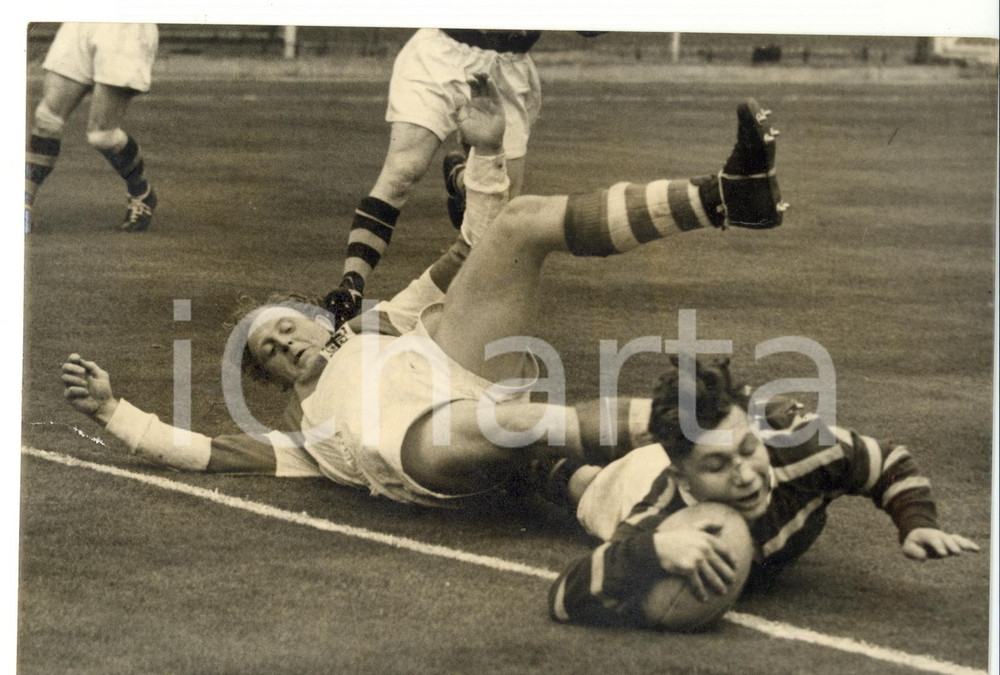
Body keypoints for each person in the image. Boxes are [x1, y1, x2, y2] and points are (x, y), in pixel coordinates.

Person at [61, 77, 786, 511]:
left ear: (317, 318)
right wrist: (116, 413)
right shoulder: (304, 432)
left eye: (285, 327)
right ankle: (721, 430)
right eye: (270, 353)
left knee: (522, 224)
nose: (284, 344)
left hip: (465, 372)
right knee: (526, 429)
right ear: (275, 378)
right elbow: (205, 453)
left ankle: (726, 198)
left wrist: (487, 153)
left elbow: (473, 244)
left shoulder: (381, 322)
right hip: (417, 449)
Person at [547, 358, 980, 629]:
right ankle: (539, 469)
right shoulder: (663, 508)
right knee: (584, 485)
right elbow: (564, 596)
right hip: (636, 478)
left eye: (747, 449)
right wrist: (652, 550)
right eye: (717, 466)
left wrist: (916, 522)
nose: (745, 476)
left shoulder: (803, 447)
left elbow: (886, 462)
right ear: (683, 478)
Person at [325, 29, 604, 327]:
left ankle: (464, 182)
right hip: (443, 51)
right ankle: (351, 287)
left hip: (509, 65)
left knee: (502, 212)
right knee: (403, 171)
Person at [25, 22, 159, 235]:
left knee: (102, 135)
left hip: (127, 25)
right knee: (46, 120)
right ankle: (22, 204)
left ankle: (141, 193)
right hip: (83, 19)